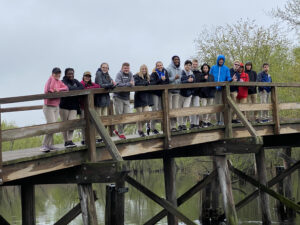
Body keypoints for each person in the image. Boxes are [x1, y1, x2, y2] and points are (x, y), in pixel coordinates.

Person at [41, 67, 68, 152]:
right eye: (56, 73)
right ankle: (44, 145)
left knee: (54, 126)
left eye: (59, 73)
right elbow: (48, 90)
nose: (58, 75)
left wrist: (58, 90)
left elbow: (66, 88)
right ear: (52, 73)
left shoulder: (59, 81)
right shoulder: (50, 79)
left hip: (56, 106)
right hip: (48, 106)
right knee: (51, 125)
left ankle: (50, 145)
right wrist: (54, 90)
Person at [59, 68, 84, 148]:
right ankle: (66, 141)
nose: (71, 75)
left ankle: (70, 140)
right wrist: (73, 90)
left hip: (74, 105)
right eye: (69, 73)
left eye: (72, 73)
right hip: (64, 105)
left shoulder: (75, 81)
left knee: (72, 123)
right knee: (65, 124)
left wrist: (72, 89)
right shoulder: (63, 82)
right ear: (66, 74)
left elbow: (82, 87)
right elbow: (67, 88)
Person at [210, 55, 234, 125]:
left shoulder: (226, 68)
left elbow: (228, 77)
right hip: (215, 89)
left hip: (223, 89)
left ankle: (223, 121)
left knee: (224, 104)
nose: (221, 61)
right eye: (220, 60)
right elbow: (210, 77)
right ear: (218, 60)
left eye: (222, 60)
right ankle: (218, 120)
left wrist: (231, 79)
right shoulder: (213, 67)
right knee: (217, 104)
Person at [94, 63, 116, 141]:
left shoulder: (107, 75)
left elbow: (112, 84)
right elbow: (100, 85)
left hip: (106, 99)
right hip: (99, 100)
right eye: (103, 67)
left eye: (106, 67)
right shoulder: (99, 74)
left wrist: (112, 84)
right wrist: (110, 85)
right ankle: (97, 137)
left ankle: (103, 136)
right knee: (99, 119)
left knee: (104, 119)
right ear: (100, 67)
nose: (105, 68)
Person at [113, 62, 134, 139]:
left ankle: (118, 131)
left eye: (127, 68)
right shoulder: (119, 74)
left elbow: (133, 84)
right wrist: (128, 84)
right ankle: (121, 133)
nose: (126, 69)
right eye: (125, 68)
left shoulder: (130, 74)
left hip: (126, 97)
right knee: (120, 116)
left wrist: (129, 84)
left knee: (128, 116)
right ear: (122, 68)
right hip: (118, 97)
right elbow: (118, 84)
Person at [80, 71, 100, 145]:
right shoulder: (81, 83)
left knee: (92, 122)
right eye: (86, 76)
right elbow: (83, 88)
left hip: (91, 107)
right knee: (83, 124)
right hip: (83, 107)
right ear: (83, 76)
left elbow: (98, 86)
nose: (87, 77)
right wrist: (90, 88)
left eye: (89, 76)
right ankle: (84, 139)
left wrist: (89, 87)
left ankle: (92, 137)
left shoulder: (92, 83)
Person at [150, 61, 170, 134]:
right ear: (156, 66)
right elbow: (152, 83)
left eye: (161, 65)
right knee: (154, 110)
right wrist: (160, 79)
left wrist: (164, 80)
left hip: (162, 93)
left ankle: (164, 127)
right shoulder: (154, 73)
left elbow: (167, 81)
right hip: (155, 93)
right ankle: (152, 128)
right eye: (158, 66)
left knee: (163, 110)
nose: (160, 67)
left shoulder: (165, 72)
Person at [133, 65, 153, 137]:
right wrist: (145, 83)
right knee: (139, 116)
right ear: (140, 69)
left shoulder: (148, 76)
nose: (144, 70)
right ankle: (140, 130)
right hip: (139, 98)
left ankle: (147, 125)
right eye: (142, 69)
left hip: (146, 98)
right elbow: (136, 84)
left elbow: (152, 83)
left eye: (145, 69)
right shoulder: (136, 76)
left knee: (147, 115)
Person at [178, 60, 195, 131]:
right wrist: (188, 80)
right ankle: (179, 124)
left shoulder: (192, 74)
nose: (188, 66)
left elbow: (194, 81)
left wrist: (190, 81)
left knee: (185, 109)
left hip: (188, 94)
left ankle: (184, 124)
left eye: (189, 65)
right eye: (187, 65)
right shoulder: (181, 72)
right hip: (181, 94)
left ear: (191, 66)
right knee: (179, 109)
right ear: (184, 66)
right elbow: (181, 81)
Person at [167, 56, 182, 131]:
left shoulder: (180, 69)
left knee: (175, 109)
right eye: (175, 60)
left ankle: (173, 126)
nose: (177, 61)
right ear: (172, 60)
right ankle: (169, 127)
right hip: (169, 91)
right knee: (169, 109)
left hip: (177, 91)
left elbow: (181, 79)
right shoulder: (168, 68)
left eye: (178, 60)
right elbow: (166, 79)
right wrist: (174, 78)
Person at [199, 63, 216, 128]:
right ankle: (204, 121)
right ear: (202, 69)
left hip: (210, 94)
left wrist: (213, 90)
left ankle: (208, 121)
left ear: (208, 69)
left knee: (210, 108)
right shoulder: (200, 75)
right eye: (204, 68)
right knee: (204, 108)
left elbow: (213, 84)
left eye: (206, 68)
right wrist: (203, 78)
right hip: (203, 95)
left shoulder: (211, 76)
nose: (205, 69)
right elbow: (199, 83)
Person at [190, 59, 202, 129]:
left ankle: (196, 123)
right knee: (191, 108)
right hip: (190, 93)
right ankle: (192, 123)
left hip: (197, 93)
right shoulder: (189, 72)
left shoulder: (199, 73)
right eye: (193, 64)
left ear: (197, 65)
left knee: (196, 107)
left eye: (196, 64)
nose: (194, 65)